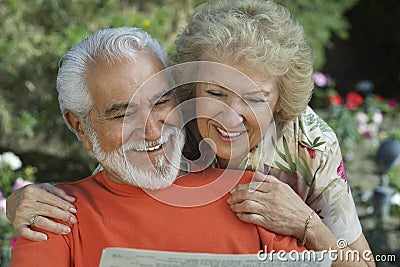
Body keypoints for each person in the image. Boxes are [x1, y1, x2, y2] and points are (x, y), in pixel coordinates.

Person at [7, 0, 374, 265]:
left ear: (280, 101)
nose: (230, 116)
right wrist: (18, 203)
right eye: (215, 93)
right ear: (190, 88)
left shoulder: (309, 145)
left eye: (255, 98)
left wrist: (305, 223)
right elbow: (115, 181)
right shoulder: (173, 118)